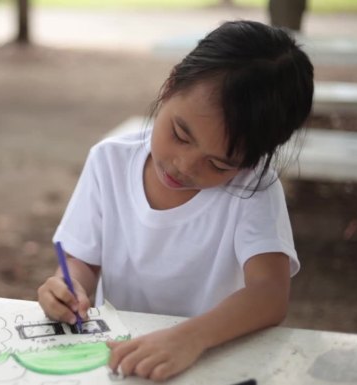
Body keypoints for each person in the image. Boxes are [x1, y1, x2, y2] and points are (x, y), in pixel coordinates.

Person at [37, 20, 313, 381]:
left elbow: (269, 294)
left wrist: (190, 338)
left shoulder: (252, 189)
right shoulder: (110, 161)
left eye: (218, 164)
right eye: (181, 134)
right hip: (120, 357)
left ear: (254, 159)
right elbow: (82, 261)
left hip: (211, 357)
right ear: (170, 86)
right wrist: (67, 287)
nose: (184, 166)